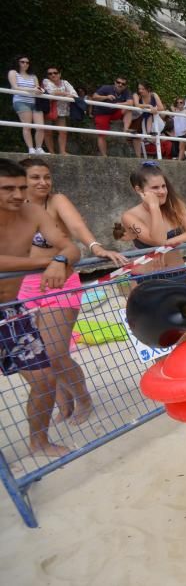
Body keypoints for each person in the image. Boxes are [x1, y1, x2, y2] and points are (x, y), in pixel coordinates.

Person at [17, 158, 128, 427]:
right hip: (25, 288)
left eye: (46, 177)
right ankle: (63, 401)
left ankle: (83, 398)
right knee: (39, 356)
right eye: (35, 178)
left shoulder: (56, 201)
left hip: (61, 283)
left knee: (55, 352)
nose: (43, 182)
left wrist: (97, 247)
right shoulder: (12, 209)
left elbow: (77, 229)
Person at [0, 159, 81, 456]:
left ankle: (39, 441)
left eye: (21, 187)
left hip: (12, 311)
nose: (18, 194)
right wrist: (46, 261)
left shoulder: (33, 211)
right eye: (8, 189)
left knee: (45, 379)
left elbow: (70, 247)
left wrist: (61, 260)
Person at [119, 162, 186, 279]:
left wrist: (167, 244)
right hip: (147, 277)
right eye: (155, 188)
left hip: (177, 272)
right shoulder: (129, 216)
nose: (162, 192)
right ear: (139, 190)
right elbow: (158, 241)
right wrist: (154, 207)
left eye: (163, 186)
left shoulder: (174, 206)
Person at [8, 56, 47, 155]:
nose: (25, 64)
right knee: (27, 126)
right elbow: (14, 87)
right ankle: (31, 148)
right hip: (21, 101)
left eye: (27, 62)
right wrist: (33, 90)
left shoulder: (33, 76)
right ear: (18, 62)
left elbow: (37, 88)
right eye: (22, 62)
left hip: (35, 102)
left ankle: (39, 148)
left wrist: (40, 91)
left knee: (40, 127)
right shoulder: (13, 72)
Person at [92, 76, 135, 158]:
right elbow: (94, 97)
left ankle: (125, 130)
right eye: (118, 82)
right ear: (114, 82)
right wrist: (106, 97)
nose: (120, 85)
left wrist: (118, 105)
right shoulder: (106, 88)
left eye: (123, 84)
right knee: (102, 135)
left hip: (114, 112)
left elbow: (130, 103)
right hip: (102, 113)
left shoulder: (126, 91)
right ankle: (104, 156)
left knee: (129, 109)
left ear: (125, 86)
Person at [41, 66, 78, 155]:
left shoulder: (65, 82)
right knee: (48, 131)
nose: (53, 75)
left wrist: (65, 94)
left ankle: (62, 151)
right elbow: (52, 92)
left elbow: (75, 94)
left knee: (63, 132)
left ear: (59, 74)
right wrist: (66, 94)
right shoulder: (46, 81)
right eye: (50, 73)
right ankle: (52, 152)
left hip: (62, 111)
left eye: (55, 73)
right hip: (49, 109)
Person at [133, 81, 165, 158]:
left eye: (143, 89)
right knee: (137, 137)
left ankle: (149, 135)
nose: (140, 90)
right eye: (139, 89)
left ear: (148, 89)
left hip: (153, 120)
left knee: (151, 116)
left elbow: (161, 108)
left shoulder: (154, 95)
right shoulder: (136, 95)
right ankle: (148, 136)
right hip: (139, 119)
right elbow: (137, 104)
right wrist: (149, 106)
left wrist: (154, 109)